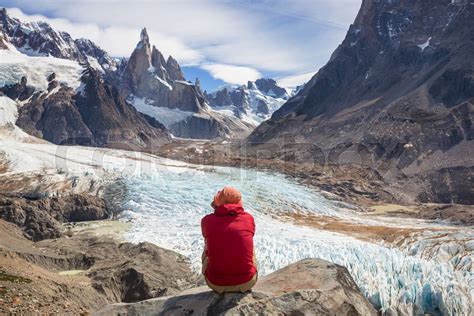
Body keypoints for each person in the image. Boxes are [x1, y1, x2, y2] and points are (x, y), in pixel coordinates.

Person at [201, 186, 257, 293]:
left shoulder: (207, 220)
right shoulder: (248, 218)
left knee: (208, 243)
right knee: (247, 244)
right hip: (247, 282)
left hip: (216, 284)